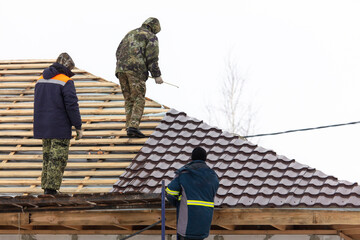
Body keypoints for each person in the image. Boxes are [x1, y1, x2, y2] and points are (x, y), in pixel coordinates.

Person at [33, 53, 83, 195]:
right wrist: (78, 126)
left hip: (44, 127)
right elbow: (72, 105)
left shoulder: (40, 80)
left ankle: (46, 188)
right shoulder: (65, 81)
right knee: (58, 158)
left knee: (48, 157)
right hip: (59, 127)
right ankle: (51, 190)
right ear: (67, 67)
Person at [115, 17, 164, 138]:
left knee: (129, 99)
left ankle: (129, 126)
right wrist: (157, 75)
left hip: (121, 70)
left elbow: (118, 52)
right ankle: (133, 126)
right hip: (136, 71)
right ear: (154, 27)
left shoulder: (130, 33)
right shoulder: (150, 36)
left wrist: (124, 65)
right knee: (138, 98)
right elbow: (152, 58)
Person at [166, 147, 219, 240]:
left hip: (187, 226)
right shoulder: (213, 176)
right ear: (205, 159)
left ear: (192, 158)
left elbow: (170, 193)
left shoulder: (184, 173)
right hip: (203, 225)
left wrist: (178, 203)